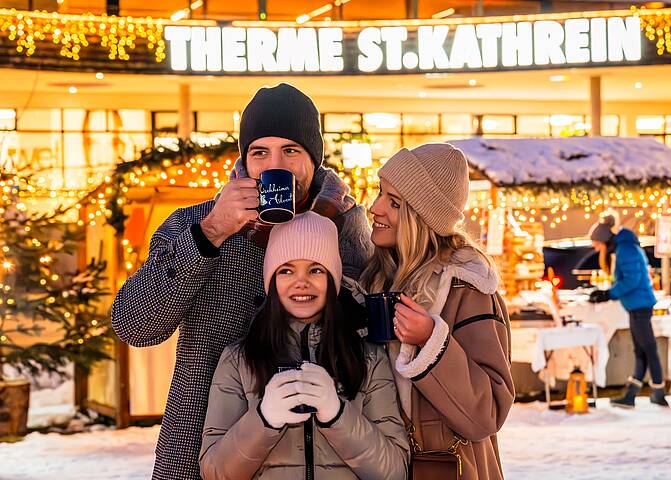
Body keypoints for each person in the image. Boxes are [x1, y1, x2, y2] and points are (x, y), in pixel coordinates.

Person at [111, 84, 373, 480]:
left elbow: (371, 349)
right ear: (244, 160)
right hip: (198, 453)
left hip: (316, 459)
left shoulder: (348, 227)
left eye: (291, 151)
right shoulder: (194, 223)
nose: (274, 164)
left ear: (314, 160)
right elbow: (135, 326)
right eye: (260, 152)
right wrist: (212, 232)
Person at [199, 212, 409, 479]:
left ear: (332, 279)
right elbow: (214, 471)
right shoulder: (239, 360)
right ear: (272, 280)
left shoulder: (368, 358)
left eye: (315, 270)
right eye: (286, 270)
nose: (302, 282)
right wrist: (264, 419)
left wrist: (337, 415)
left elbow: (395, 472)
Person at [359, 143, 514, 480]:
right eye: (379, 193)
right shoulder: (373, 278)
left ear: (421, 217)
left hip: (446, 468)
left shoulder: (467, 288)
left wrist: (432, 342)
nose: (374, 207)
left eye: (394, 202)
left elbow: (486, 413)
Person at [588, 214, 668, 408]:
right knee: (641, 350)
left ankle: (658, 392)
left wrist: (609, 294)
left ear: (606, 240)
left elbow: (632, 281)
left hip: (640, 305)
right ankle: (633, 394)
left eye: (597, 244)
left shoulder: (626, 250)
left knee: (648, 349)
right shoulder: (625, 247)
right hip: (637, 305)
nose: (596, 249)